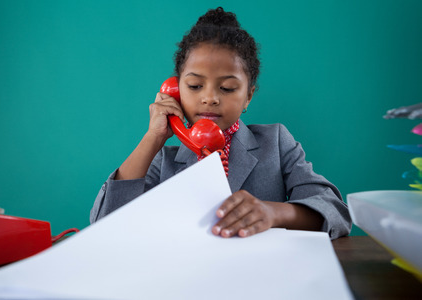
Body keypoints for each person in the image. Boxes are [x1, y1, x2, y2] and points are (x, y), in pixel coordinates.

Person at [90, 7, 352, 239]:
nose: (210, 98)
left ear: (248, 96)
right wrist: (153, 137)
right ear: (175, 90)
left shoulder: (276, 143)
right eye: (194, 86)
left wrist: (273, 212)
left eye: (227, 88)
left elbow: (336, 212)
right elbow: (103, 223)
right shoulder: (163, 159)